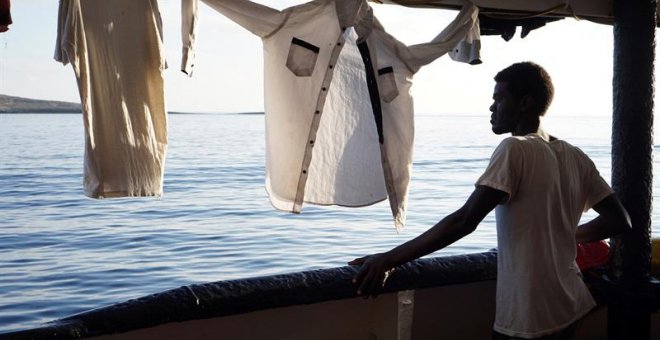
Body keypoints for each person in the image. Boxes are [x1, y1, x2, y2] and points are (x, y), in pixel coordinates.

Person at [349, 61, 631, 339]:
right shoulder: (575, 155)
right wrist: (567, 235)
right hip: (569, 302)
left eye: (499, 98)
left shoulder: (514, 149)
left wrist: (387, 260)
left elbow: (464, 220)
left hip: (529, 314)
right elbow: (620, 219)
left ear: (524, 103)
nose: (492, 107)